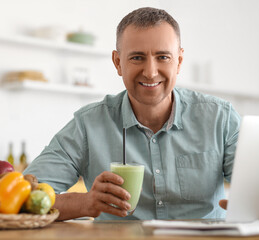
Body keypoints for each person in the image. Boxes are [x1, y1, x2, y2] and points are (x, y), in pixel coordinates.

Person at [23, 7, 241, 221]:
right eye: (137, 58)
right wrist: (86, 202)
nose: (150, 71)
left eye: (163, 57)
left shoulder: (220, 118)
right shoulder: (88, 125)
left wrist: (255, 202)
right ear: (118, 62)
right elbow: (26, 197)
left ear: (179, 62)